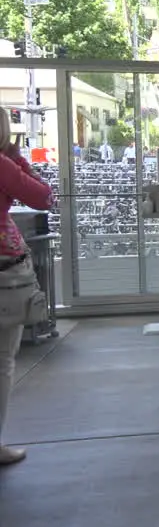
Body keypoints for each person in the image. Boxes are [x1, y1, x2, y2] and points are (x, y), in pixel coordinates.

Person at [0, 112, 54, 465]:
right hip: (5, 273)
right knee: (2, 359)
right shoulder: (3, 165)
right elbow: (42, 196)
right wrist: (18, 159)